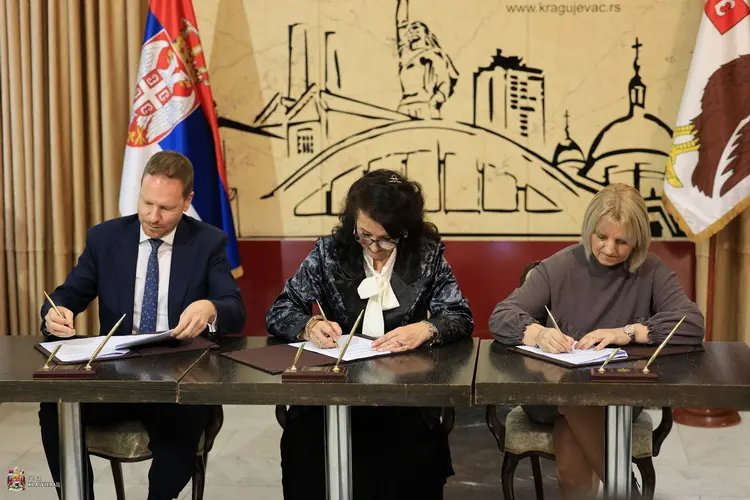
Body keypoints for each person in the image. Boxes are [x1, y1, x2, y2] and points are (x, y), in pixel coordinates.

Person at [38, 150, 246, 500]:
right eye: (147, 203)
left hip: (177, 376)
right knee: (54, 407)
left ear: (187, 201)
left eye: (166, 208)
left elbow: (235, 309)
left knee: (182, 421)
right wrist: (55, 312)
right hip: (115, 373)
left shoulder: (207, 242)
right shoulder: (105, 238)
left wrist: (210, 307)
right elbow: (67, 294)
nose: (152, 216)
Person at [266, 169, 473, 499]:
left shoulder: (426, 255)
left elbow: (459, 316)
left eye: (386, 238)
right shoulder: (329, 254)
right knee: (307, 446)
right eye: (365, 235)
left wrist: (426, 328)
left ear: (405, 230)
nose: (375, 247)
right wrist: (310, 325)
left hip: (403, 391)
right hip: (333, 389)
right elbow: (281, 309)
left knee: (404, 457)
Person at [489, 183, 704, 499]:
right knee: (573, 399)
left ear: (638, 241)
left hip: (616, 397)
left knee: (571, 434)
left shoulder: (651, 271)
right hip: (550, 396)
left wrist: (626, 332)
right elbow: (501, 316)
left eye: (622, 241)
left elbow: (692, 323)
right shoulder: (559, 266)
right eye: (601, 236)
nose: (609, 249)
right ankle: (625, 489)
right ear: (589, 229)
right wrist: (539, 334)